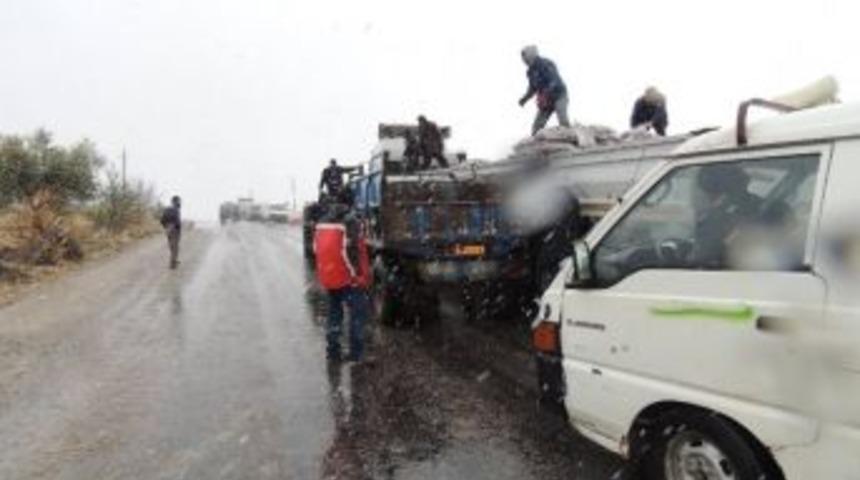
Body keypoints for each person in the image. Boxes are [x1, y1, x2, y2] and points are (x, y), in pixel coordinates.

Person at [313, 202, 372, 362]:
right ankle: (356, 355)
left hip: (331, 277)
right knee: (357, 316)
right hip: (349, 279)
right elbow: (352, 251)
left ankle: (332, 352)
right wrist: (358, 276)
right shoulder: (350, 222)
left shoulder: (322, 223)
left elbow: (316, 249)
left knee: (334, 314)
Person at [518, 45, 570, 136]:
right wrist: (524, 99)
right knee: (536, 128)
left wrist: (545, 93)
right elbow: (532, 88)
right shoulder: (530, 72)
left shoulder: (547, 64)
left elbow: (554, 81)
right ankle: (535, 147)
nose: (524, 61)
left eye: (525, 58)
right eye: (523, 59)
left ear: (531, 55)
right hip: (546, 101)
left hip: (559, 96)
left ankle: (571, 139)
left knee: (563, 120)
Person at [160, 195, 182, 269]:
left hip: (168, 228)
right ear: (177, 201)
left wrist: (165, 227)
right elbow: (177, 220)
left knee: (171, 245)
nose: (180, 202)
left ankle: (174, 260)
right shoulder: (176, 209)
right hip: (174, 229)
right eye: (179, 201)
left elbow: (162, 220)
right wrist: (178, 228)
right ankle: (173, 263)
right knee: (175, 246)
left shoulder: (167, 209)